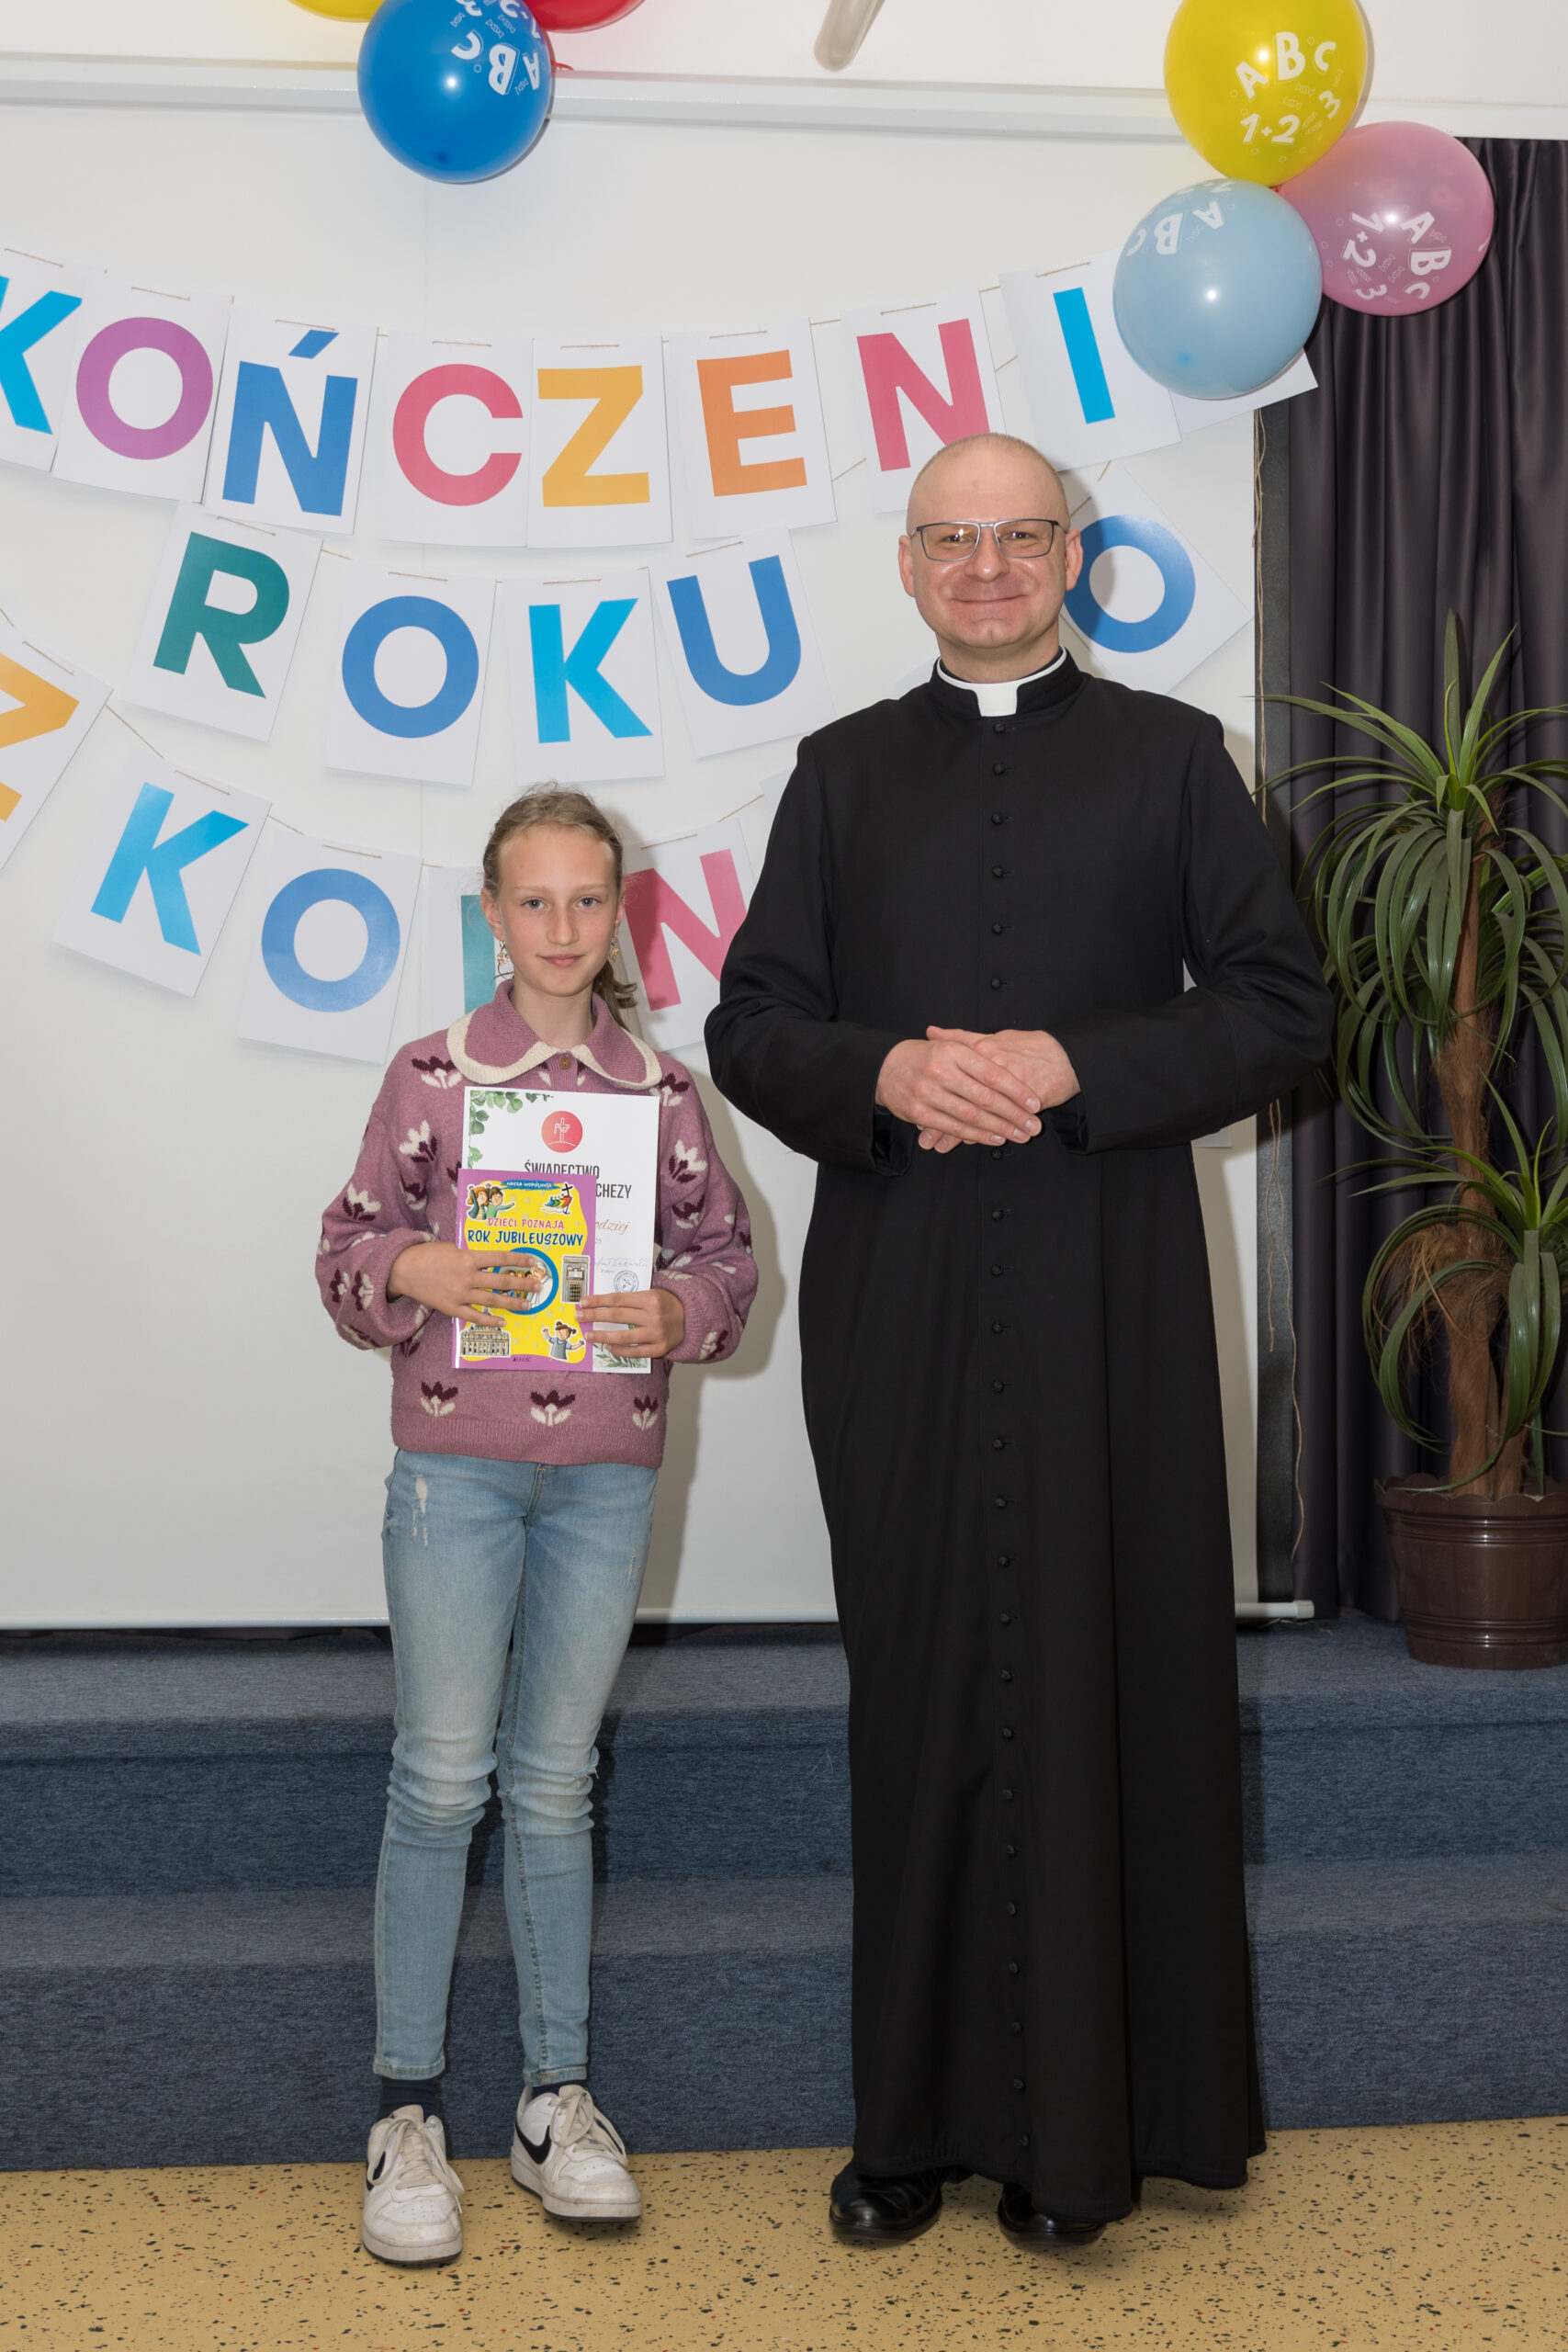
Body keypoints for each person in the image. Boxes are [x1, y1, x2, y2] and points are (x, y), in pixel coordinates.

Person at [705, 433, 1332, 2249]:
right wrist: (886, 1070)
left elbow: (1281, 1007)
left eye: (1019, 536)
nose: (986, 568)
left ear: (1073, 554)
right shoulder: (838, 772)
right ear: (907, 565)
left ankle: (1088, 2144)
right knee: (915, 1692)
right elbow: (754, 1022)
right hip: (898, 1289)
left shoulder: (1173, 758)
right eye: (951, 540)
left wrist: (1076, 1061)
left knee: (1104, 1681)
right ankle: (903, 2129)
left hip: (1103, 1289)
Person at [317, 786, 757, 2266]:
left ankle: (552, 2100)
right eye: (534, 900)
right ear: (492, 917)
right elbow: (344, 1247)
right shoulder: (431, 1076)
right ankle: (405, 2112)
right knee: (443, 1779)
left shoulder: (664, 1095)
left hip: (606, 1480)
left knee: (556, 1784)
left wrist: (678, 1311)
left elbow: (728, 1264)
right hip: (455, 1472)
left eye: (588, 899)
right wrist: (419, 1271)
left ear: (619, 914)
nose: (563, 927)